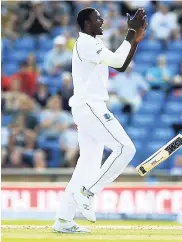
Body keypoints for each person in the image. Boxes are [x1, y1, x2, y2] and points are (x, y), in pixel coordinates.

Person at [53, 7, 147, 233]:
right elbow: (116, 60)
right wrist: (130, 33)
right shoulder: (86, 42)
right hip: (90, 106)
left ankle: (64, 219)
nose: (102, 20)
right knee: (126, 148)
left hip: (89, 108)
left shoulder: (94, 42)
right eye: (97, 18)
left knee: (88, 165)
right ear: (87, 23)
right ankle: (89, 192)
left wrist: (134, 39)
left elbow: (121, 65)